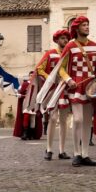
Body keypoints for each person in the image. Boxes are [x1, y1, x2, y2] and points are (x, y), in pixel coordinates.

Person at [57, 15, 96, 167]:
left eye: (88, 24)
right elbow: (61, 69)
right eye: (84, 25)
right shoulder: (70, 46)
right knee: (77, 119)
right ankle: (76, 153)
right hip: (76, 85)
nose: (87, 27)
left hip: (91, 86)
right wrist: (68, 80)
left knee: (87, 121)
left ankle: (85, 154)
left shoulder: (95, 46)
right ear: (77, 28)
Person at [36, 29, 72, 160]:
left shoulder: (69, 55)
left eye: (66, 38)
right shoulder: (50, 54)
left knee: (63, 120)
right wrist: (50, 78)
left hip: (64, 89)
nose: (65, 40)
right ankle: (49, 148)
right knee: (52, 118)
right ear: (57, 40)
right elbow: (39, 69)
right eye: (62, 38)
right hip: (52, 90)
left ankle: (62, 150)